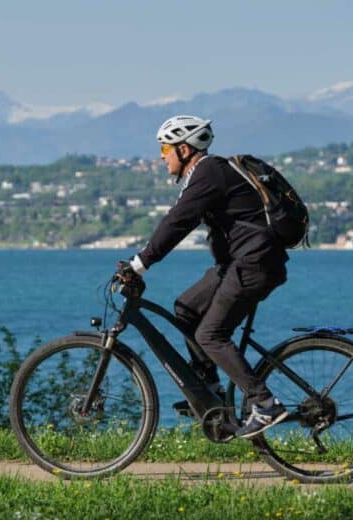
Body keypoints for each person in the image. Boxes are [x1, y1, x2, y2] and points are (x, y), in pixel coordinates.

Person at [123, 114, 289, 438]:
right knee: (186, 308)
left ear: (184, 149)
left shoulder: (208, 172)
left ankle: (265, 403)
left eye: (165, 149)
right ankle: (208, 388)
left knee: (211, 335)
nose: (161, 157)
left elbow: (178, 221)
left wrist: (140, 264)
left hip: (254, 264)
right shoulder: (208, 173)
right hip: (241, 263)